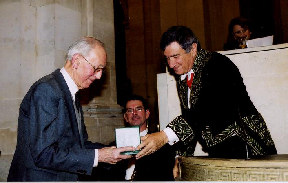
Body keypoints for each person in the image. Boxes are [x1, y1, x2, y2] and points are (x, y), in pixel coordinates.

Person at [136, 26, 277, 160]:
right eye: (167, 58)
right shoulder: (183, 74)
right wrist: (181, 158)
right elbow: (190, 117)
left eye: (175, 56)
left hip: (247, 145)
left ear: (193, 48)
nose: (171, 64)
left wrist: (164, 136)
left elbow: (203, 109)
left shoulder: (218, 65)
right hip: (218, 149)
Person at [7, 37, 135, 181]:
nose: (99, 76)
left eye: (101, 71)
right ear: (76, 61)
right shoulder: (47, 90)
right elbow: (44, 153)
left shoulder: (71, 93)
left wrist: (114, 150)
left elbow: (78, 145)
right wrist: (99, 156)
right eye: (96, 68)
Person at [99, 95, 176, 181]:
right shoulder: (113, 147)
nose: (134, 113)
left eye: (139, 109)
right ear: (125, 117)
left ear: (147, 114)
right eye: (130, 110)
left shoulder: (162, 145)